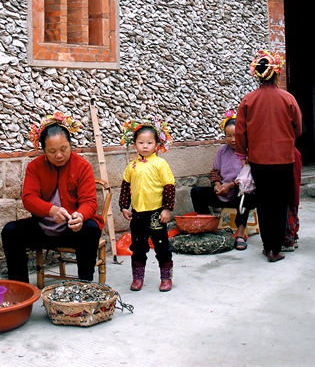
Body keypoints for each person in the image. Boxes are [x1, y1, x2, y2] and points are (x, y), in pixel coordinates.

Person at [1, 113, 103, 283]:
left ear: (70, 145)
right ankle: (22, 292)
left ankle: (85, 285)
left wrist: (81, 216)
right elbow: (28, 198)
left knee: (91, 228)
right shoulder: (35, 166)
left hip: (70, 229)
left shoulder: (82, 166)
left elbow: (90, 202)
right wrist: (51, 210)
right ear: (44, 151)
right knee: (10, 231)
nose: (59, 155)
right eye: (52, 151)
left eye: (64, 149)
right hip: (42, 227)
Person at [236, 50, 302, 263]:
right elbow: (298, 127)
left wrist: (243, 153)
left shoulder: (248, 100)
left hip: (259, 160)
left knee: (264, 203)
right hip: (284, 159)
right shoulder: (287, 98)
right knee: (280, 203)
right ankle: (277, 246)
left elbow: (240, 131)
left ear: (257, 74)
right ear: (276, 74)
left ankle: (268, 247)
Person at [119, 118, 176, 291]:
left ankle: (166, 278)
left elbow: (169, 187)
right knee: (137, 247)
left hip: (156, 214)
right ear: (134, 144)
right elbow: (125, 187)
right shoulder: (131, 166)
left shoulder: (160, 164)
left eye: (149, 142)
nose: (145, 146)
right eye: (141, 142)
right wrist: (123, 206)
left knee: (162, 246)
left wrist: (166, 208)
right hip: (137, 214)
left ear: (157, 145)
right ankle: (138, 278)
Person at [190, 110, 254, 250]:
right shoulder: (222, 150)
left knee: (246, 193)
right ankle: (206, 226)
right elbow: (215, 171)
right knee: (197, 191)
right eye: (228, 136)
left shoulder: (249, 151)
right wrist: (217, 185)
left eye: (236, 135)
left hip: (240, 193)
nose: (232, 139)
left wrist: (230, 186)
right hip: (224, 193)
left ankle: (240, 233)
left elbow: (249, 177)